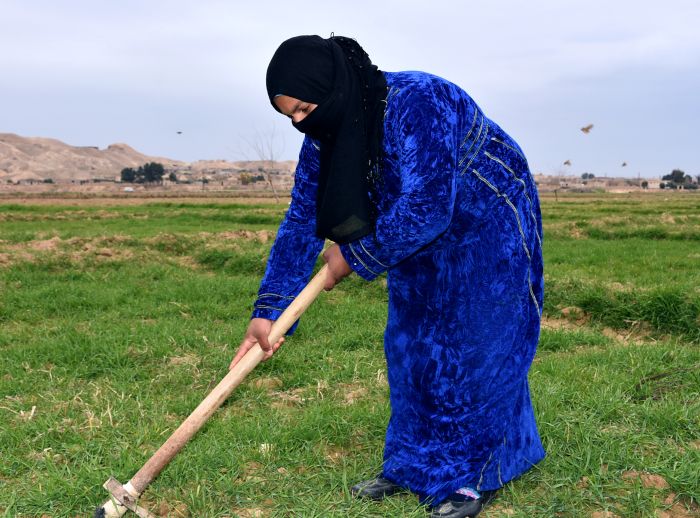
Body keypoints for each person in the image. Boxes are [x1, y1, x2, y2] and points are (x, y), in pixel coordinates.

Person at [230, 34, 545, 518]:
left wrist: (352, 255)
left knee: (479, 341)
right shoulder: (324, 138)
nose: (300, 122)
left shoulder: (417, 102)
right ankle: (409, 465)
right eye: (290, 115)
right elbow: (301, 219)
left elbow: (430, 205)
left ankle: (469, 477)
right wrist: (269, 313)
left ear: (331, 86)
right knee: (411, 341)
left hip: (488, 216)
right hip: (406, 226)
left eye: (304, 107)